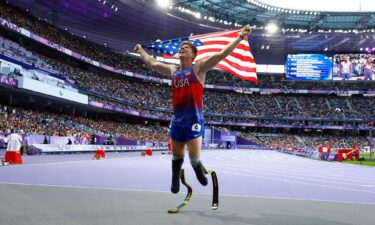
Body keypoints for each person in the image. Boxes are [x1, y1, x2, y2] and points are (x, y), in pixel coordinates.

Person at [134, 25, 251, 193]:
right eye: (181, 47)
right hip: (178, 121)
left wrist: (240, 37)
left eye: (186, 48)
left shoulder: (199, 68)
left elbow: (221, 55)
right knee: (176, 157)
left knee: (195, 160)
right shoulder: (173, 70)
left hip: (194, 121)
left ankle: (199, 171)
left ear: (193, 54)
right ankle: (175, 181)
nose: (182, 48)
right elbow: (152, 63)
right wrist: (141, 51)